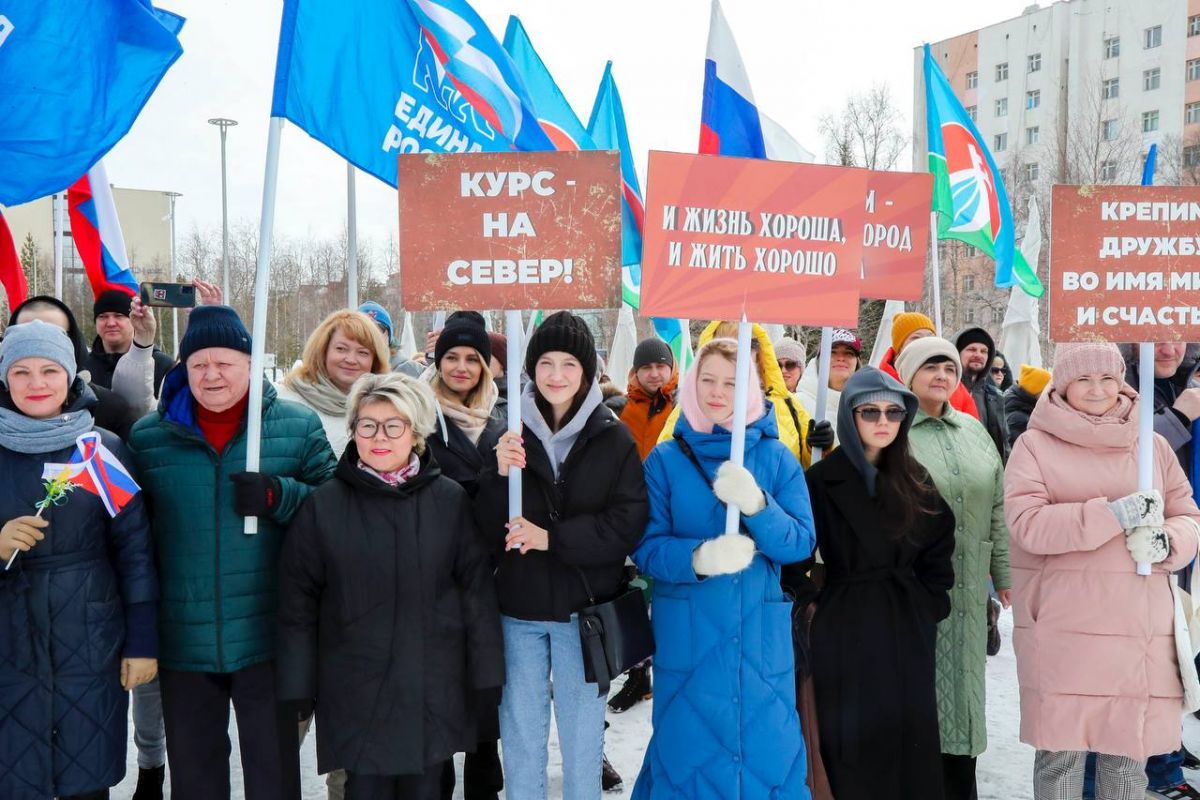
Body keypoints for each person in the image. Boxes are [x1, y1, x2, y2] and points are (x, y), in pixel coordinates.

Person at [126, 305, 336, 800]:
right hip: (184, 641)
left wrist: (278, 496)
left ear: (249, 363)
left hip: (268, 636)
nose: (211, 374)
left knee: (274, 775)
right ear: (184, 369)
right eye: (199, 364)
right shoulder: (149, 439)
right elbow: (130, 536)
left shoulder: (295, 426)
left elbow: (338, 511)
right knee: (195, 779)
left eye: (224, 363)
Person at [277, 373, 504, 800]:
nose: (379, 436)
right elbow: (297, 605)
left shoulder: (450, 501)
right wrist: (297, 684)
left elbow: (476, 592)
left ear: (415, 433)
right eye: (368, 424)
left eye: (393, 425)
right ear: (353, 430)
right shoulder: (324, 506)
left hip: (431, 691)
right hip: (356, 694)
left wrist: (487, 673)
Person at [1004, 342, 1200, 800]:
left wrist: (1167, 541)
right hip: (1064, 626)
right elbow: (1026, 524)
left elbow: (1187, 514)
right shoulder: (1034, 445)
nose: (1097, 389)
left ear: (1123, 383)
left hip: (1138, 627)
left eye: (1107, 378)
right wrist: (1112, 515)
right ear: (1063, 386)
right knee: (1061, 756)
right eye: (1084, 380)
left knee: (1126, 754)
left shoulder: (1150, 443)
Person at [631, 337, 816, 799]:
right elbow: (646, 547)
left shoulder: (776, 458)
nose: (717, 392)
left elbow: (800, 543)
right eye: (708, 379)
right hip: (690, 637)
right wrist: (698, 558)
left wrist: (757, 504)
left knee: (765, 755)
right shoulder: (665, 460)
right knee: (688, 754)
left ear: (750, 389)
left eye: (732, 384)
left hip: (759, 633)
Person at [476, 311, 648, 800]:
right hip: (519, 609)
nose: (556, 375)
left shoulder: (613, 437)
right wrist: (496, 476)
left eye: (568, 364)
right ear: (530, 370)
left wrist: (553, 538)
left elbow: (627, 523)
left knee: (582, 738)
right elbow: (483, 528)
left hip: (585, 612)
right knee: (523, 737)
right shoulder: (507, 433)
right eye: (545, 363)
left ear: (588, 371)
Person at [0, 320, 158, 800]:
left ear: (70, 377)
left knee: (83, 774)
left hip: (88, 640)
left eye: (50, 370)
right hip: (8, 642)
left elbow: (135, 553)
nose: (36, 383)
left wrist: (142, 641)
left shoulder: (99, 451)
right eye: (21, 372)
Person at [799, 367, 956, 799]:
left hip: (906, 626)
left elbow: (940, 550)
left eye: (893, 412)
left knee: (909, 746)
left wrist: (928, 605)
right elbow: (795, 556)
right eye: (869, 412)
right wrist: (818, 607)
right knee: (851, 748)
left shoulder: (916, 479)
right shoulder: (820, 479)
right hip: (845, 629)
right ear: (850, 416)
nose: (883, 421)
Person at [895, 337, 1011, 800]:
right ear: (907, 374)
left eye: (948, 367)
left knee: (964, 696)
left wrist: (1003, 575)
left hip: (969, 589)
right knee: (920, 695)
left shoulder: (974, 431)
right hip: (913, 591)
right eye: (930, 366)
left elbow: (997, 507)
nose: (942, 375)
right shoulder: (891, 428)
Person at [420, 313, 507, 800]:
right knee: (441, 700)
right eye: (451, 357)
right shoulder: (419, 419)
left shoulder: (502, 422)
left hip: (490, 584)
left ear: (486, 366)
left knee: (484, 702)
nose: (460, 367)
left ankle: (484, 789)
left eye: (472, 358)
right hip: (435, 580)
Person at [658, 321, 833, 468]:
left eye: (749, 345)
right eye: (726, 346)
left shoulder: (788, 404)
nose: (738, 353)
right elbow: (664, 467)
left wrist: (819, 448)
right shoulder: (692, 405)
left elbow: (808, 471)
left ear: (759, 351)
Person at [7, 296, 140, 440]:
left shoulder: (110, 409)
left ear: (73, 341)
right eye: (27, 334)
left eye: (54, 334)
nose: (40, 341)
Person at [276, 309, 391, 457]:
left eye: (363, 352)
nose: (351, 359)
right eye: (341, 349)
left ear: (375, 361)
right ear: (323, 351)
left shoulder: (386, 409)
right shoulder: (285, 401)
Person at [878, 312, 979, 419]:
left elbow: (972, 425)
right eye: (916, 338)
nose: (925, 342)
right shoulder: (881, 384)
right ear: (899, 348)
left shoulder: (951, 384)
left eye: (930, 337)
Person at [85, 290, 175, 392]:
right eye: (103, 317)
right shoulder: (81, 366)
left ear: (134, 319)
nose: (110, 323)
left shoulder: (162, 366)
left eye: (118, 316)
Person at [796, 328, 862, 446]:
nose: (841, 358)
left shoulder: (867, 408)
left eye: (849, 353)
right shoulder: (797, 403)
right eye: (832, 352)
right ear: (819, 360)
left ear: (857, 362)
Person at [953, 327, 1009, 461]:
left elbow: (1004, 442)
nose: (978, 355)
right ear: (956, 353)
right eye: (971, 349)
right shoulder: (945, 391)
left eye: (984, 351)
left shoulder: (995, 396)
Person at [620, 338, 678, 461]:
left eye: (660, 366)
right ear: (636, 371)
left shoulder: (683, 407)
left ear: (671, 368)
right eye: (647, 367)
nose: (654, 374)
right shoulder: (618, 409)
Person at [1003, 365, 1050, 446]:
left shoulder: (1022, 408)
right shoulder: (1019, 419)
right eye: (1047, 391)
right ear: (1036, 391)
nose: (1050, 395)